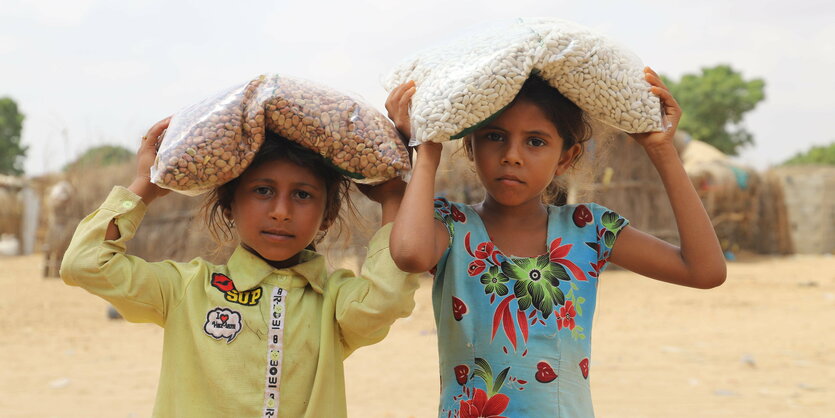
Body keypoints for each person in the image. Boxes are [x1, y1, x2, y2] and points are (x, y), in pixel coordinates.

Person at [386, 68, 726, 416]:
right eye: (494, 136)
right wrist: (426, 150)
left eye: (535, 141)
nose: (512, 155)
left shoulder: (588, 230)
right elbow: (410, 255)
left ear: (565, 157)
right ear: (470, 146)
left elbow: (705, 271)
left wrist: (662, 151)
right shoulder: (450, 226)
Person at [60, 118, 420, 417]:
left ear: (326, 216)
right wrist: (148, 185)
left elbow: (385, 301)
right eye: (263, 191)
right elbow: (85, 262)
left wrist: (391, 198)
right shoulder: (188, 289)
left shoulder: (334, 302)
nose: (281, 210)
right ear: (230, 205)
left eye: (302, 194)